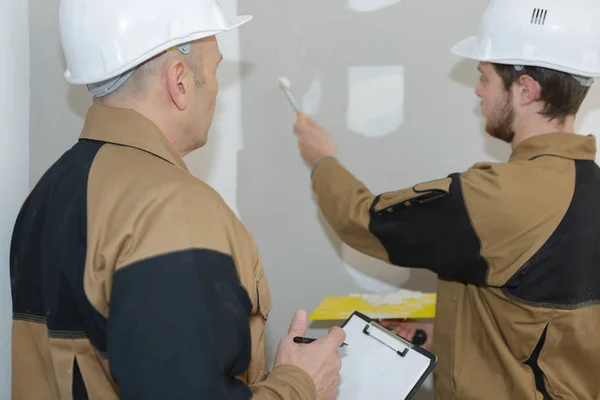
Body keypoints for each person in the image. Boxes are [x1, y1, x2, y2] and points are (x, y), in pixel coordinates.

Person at [9, 0, 345, 399]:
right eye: (216, 69)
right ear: (179, 81)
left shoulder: (49, 193)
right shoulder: (170, 208)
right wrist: (300, 384)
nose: (217, 89)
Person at [292, 0, 600, 398]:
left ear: (525, 90)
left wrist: (323, 160)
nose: (477, 90)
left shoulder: (494, 198)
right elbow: (545, 322)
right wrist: (449, 335)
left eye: (484, 77)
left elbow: (362, 220)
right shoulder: (587, 187)